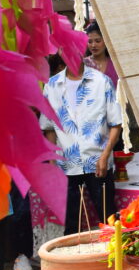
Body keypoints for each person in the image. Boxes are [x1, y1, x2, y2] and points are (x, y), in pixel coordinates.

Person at [40, 58, 122, 234]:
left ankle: (115, 251)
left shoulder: (102, 81)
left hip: (98, 160)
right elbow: (49, 128)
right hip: (66, 163)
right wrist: (53, 165)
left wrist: (105, 155)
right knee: (71, 225)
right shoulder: (51, 86)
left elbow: (116, 123)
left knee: (108, 219)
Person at [83, 22, 118, 88]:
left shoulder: (116, 64)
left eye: (98, 41)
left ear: (106, 41)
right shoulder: (83, 64)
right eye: (90, 42)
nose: (93, 45)